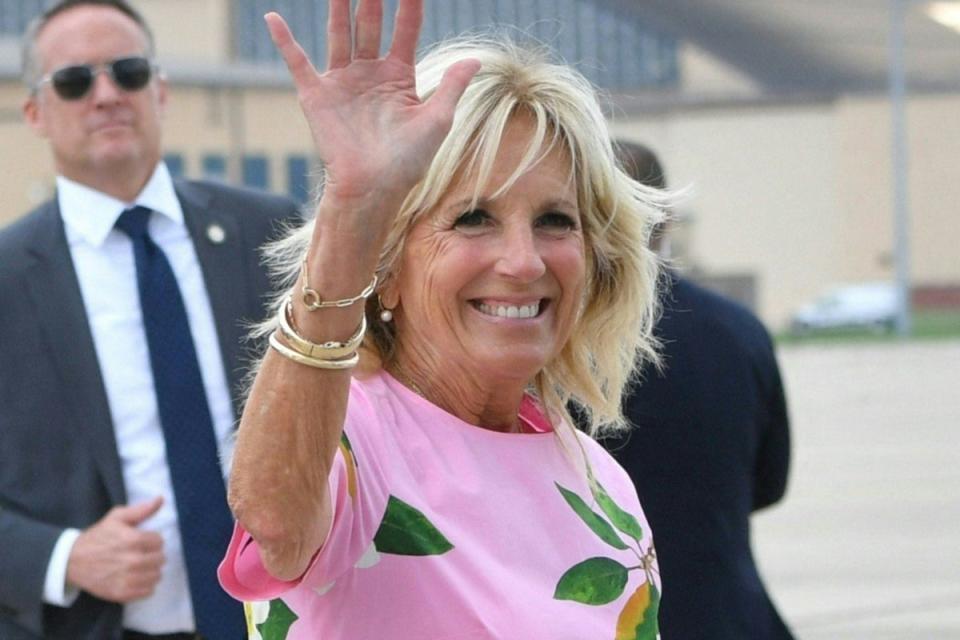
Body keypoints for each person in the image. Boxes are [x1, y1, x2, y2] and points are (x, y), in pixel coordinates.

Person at [218, 1, 670, 638]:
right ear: (389, 268)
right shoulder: (351, 440)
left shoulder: (602, 487)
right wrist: (352, 211)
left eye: (554, 220)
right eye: (472, 219)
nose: (523, 260)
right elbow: (277, 524)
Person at [0, 1, 300, 638]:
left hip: (289, 618)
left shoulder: (265, 231)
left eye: (129, 72)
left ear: (159, 89)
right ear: (35, 112)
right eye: (76, 81)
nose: (107, 94)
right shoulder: (6, 279)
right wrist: (61, 556)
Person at [607, 140, 795, 639]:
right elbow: (771, 484)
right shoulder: (740, 329)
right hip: (734, 616)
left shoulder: (558, 342)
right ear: (667, 221)